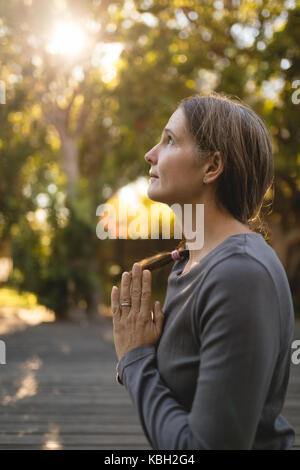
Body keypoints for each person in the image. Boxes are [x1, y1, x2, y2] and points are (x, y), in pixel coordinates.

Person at [110, 92, 296, 450]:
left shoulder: (240, 274)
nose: (150, 154)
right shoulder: (190, 264)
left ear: (212, 167)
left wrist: (134, 360)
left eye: (170, 140)